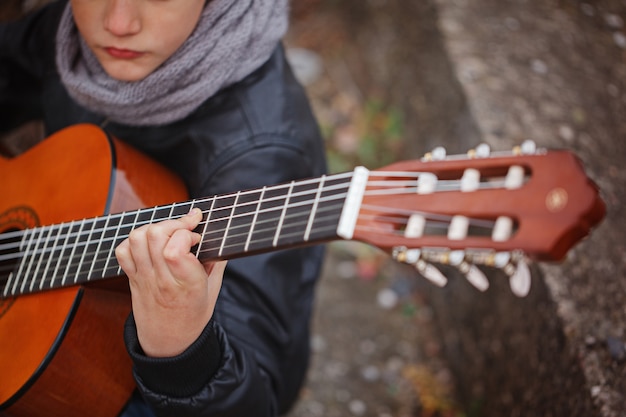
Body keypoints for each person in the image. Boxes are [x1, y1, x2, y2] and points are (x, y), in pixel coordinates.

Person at [0, 0, 327, 416]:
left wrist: (183, 352)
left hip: (147, 389)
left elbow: (255, 400)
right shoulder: (71, 35)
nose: (118, 23)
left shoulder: (262, 154)